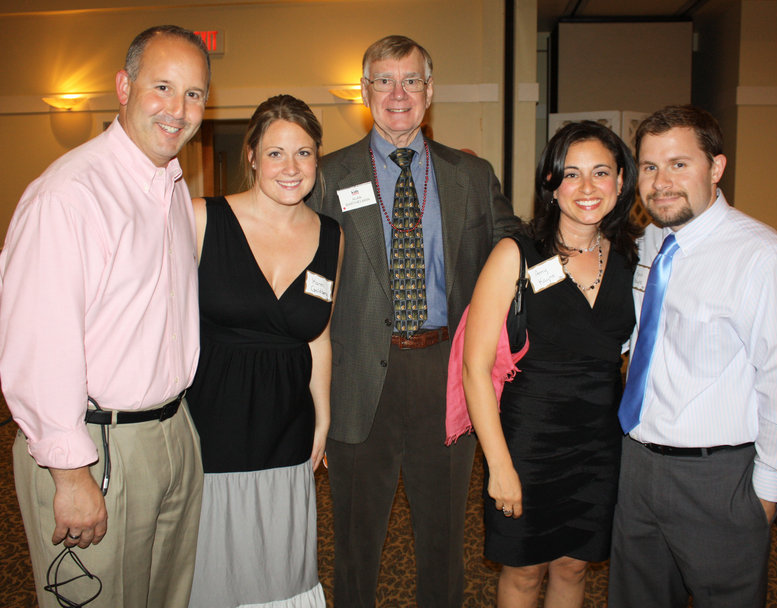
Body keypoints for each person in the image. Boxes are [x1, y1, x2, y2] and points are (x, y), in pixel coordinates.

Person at [0, 25, 210, 608]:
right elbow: (39, 345)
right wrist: (69, 475)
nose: (178, 109)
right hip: (97, 445)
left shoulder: (167, 185)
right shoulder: (69, 195)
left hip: (170, 433)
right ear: (123, 86)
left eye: (194, 94)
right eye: (162, 87)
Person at [307, 34, 517, 606]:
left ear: (430, 91)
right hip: (357, 379)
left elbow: (514, 242)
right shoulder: (326, 176)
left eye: (411, 81)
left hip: (446, 374)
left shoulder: (470, 176)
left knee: (445, 540)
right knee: (354, 542)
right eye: (384, 80)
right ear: (364, 91)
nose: (398, 94)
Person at [608, 105, 777, 608]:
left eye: (679, 164)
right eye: (649, 167)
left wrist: (764, 496)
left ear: (716, 168)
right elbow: (639, 331)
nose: (661, 182)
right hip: (638, 466)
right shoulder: (649, 240)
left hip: (719, 480)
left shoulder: (765, 259)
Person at [462, 121, 641, 607]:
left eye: (601, 173)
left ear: (621, 181)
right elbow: (474, 369)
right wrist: (498, 465)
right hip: (528, 444)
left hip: (599, 445)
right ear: (551, 184)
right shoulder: (515, 254)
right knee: (523, 573)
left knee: (575, 567)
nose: (586, 188)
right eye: (571, 173)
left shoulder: (633, 258)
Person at [186, 95, 341, 608]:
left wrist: (322, 416)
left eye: (304, 153)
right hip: (209, 425)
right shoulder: (200, 219)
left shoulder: (331, 236)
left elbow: (317, 334)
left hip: (287, 429)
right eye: (276, 153)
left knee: (280, 570)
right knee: (209, 568)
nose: (291, 168)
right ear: (251, 155)